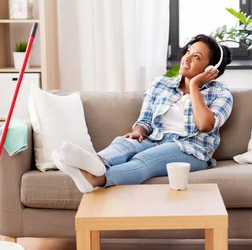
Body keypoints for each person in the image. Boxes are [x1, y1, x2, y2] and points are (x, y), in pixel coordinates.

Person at [52, 34, 234, 193]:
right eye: (188, 51)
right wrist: (137, 132)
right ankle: (93, 163)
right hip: (155, 139)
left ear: (210, 69)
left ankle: (94, 179)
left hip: (191, 148)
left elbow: (205, 125)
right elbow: (145, 120)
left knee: (143, 159)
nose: (187, 58)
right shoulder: (160, 84)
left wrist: (194, 85)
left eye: (197, 57)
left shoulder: (221, 94)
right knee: (123, 143)